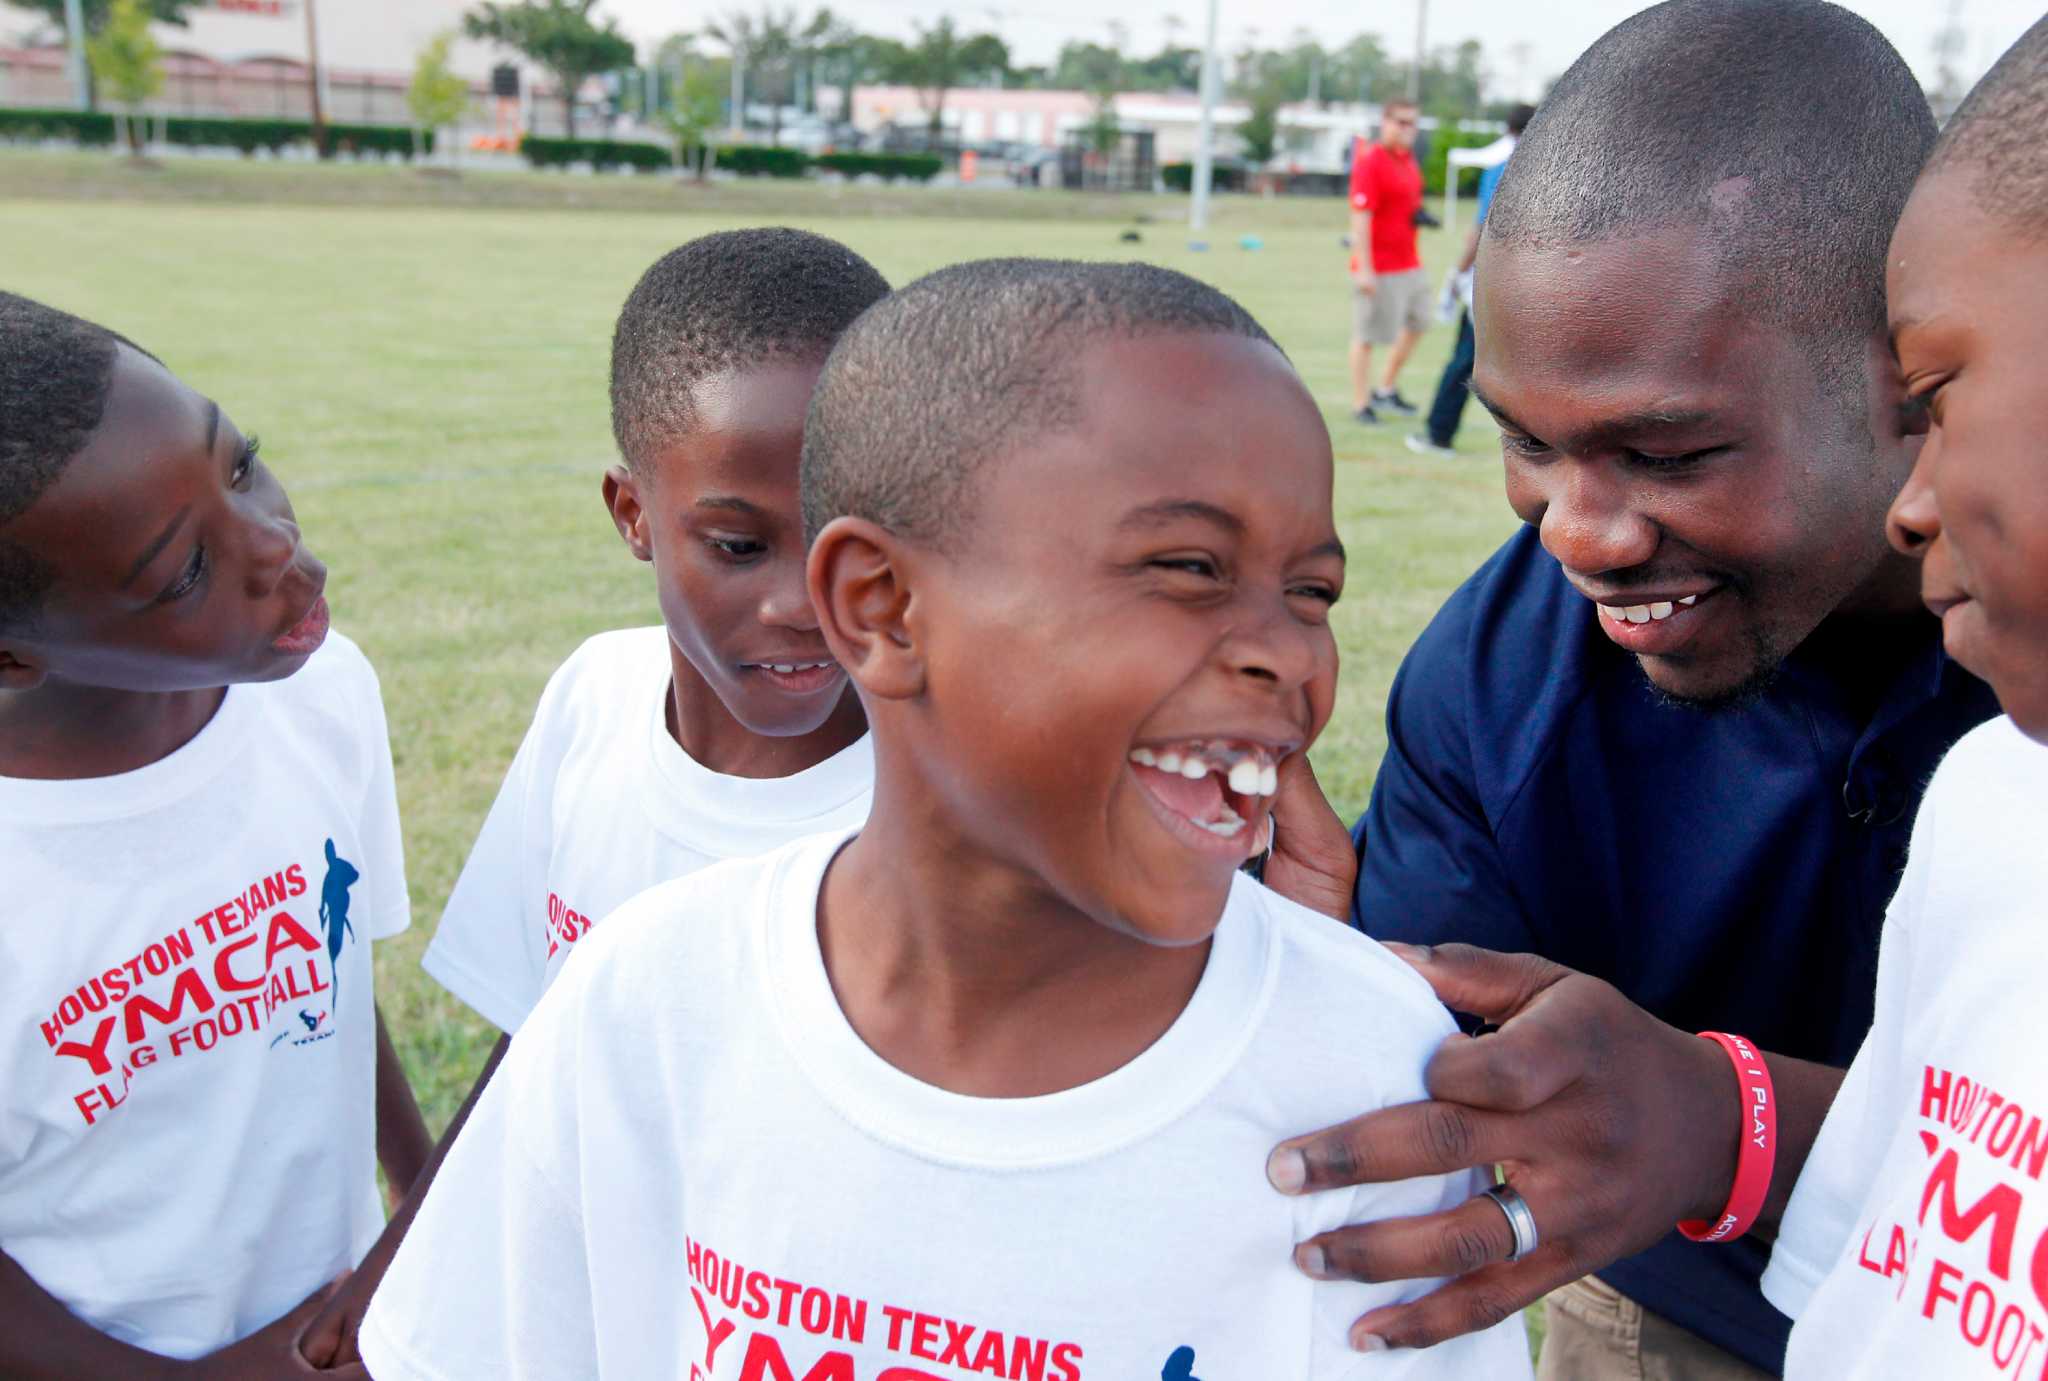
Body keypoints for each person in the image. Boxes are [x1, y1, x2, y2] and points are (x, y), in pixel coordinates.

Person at [355, 259, 1533, 1378]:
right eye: (1185, 567)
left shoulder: (1369, 1079)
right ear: (881, 607)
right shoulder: (651, 1000)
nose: (1287, 653)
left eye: (1310, 592)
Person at [1261, 18, 2048, 1378]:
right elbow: (1448, 1086)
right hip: (1682, 1308)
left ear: (1905, 380)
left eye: (1667, 450)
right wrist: (1289, 987)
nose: (1579, 533)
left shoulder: (2017, 691)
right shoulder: (1501, 680)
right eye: (1526, 441)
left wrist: (1717, 1111)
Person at [295, 227, 891, 1366]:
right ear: (630, 515)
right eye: (736, 542)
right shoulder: (594, 699)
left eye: (852, 536)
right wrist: (408, 1253)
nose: (804, 600)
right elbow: (536, 1029)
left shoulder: (950, 799)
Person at [0, 291, 428, 1377]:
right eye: (182, 571)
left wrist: (418, 1192)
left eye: (241, 466)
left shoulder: (321, 692)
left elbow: (324, 973)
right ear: (15, 656)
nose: (277, 545)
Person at [1405, 103, 1535, 460]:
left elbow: (1482, 228)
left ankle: (1438, 433)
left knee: (1465, 360)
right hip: (1539, 284)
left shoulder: (1500, 168)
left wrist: (1458, 273)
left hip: (1496, 281)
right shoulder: (1554, 167)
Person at [1348, 99, 1429, 424]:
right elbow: (1360, 217)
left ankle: (1386, 389)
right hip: (1379, 266)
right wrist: (1365, 269)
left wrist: (1421, 217)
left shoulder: (1408, 161)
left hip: (1409, 261)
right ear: (1385, 122)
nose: (1408, 129)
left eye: (1413, 123)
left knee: (1421, 321)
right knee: (1366, 335)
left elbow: (1406, 204)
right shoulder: (1372, 161)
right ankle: (1360, 403)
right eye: (1401, 122)